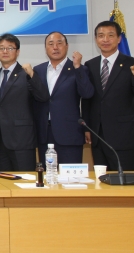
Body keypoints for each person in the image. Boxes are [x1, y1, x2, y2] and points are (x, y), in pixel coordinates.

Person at [82, 21, 134, 171]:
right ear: (96, 39)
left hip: (124, 137)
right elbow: (87, 100)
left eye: (110, 35)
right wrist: (87, 128)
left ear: (119, 38)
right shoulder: (90, 65)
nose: (105, 39)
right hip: (98, 136)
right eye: (101, 35)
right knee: (101, 180)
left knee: (125, 180)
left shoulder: (133, 64)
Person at [0, 34, 49, 172]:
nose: (5, 51)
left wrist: (32, 75)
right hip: (0, 140)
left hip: (22, 139)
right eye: (1, 48)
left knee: (25, 180)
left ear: (18, 51)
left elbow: (43, 97)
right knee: (3, 180)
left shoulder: (26, 74)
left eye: (10, 48)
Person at [33, 32, 94, 165]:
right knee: (47, 175)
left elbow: (87, 94)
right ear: (45, 48)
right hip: (44, 134)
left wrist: (78, 67)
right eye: (51, 44)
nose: (55, 47)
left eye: (59, 43)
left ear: (67, 46)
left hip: (69, 133)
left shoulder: (78, 68)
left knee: (70, 175)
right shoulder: (38, 70)